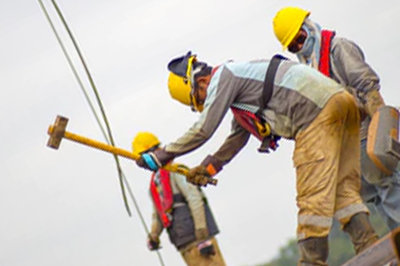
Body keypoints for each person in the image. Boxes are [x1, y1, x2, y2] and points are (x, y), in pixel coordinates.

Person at [135, 51, 378, 265]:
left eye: (199, 99)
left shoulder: (224, 77)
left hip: (313, 115)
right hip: (340, 102)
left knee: (311, 201)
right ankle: (372, 250)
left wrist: (163, 155)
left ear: (201, 81)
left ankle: (312, 263)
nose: (204, 104)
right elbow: (237, 137)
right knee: (343, 191)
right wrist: (209, 168)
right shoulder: (241, 82)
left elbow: (203, 129)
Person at [272, 6, 400, 231]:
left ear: (307, 27)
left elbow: (368, 86)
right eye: (293, 46)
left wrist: (381, 131)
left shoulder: (338, 48)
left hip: (366, 132)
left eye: (300, 39)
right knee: (375, 197)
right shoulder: (309, 68)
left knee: (389, 188)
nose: (299, 46)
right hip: (347, 143)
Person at [132, 132, 225, 266]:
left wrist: (202, 234)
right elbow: (158, 213)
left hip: (198, 239)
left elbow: (195, 199)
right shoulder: (156, 184)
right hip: (182, 241)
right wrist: (154, 235)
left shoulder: (176, 171)